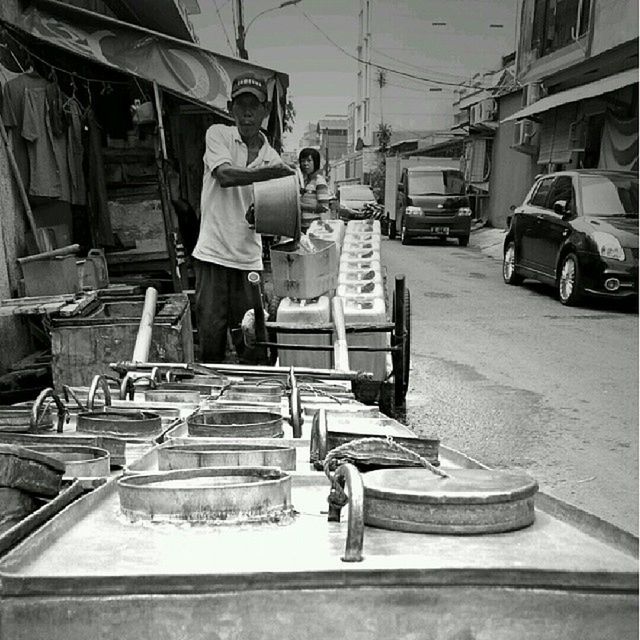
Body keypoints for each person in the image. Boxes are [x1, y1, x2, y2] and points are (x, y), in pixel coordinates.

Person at [192, 72, 294, 363]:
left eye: (254, 105)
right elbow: (224, 176)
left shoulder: (271, 156)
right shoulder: (218, 135)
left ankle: (255, 402)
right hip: (212, 254)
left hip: (248, 260)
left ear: (264, 111)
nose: (247, 112)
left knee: (253, 346)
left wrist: (261, 212)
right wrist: (270, 174)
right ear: (230, 108)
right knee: (211, 341)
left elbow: (279, 213)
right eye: (241, 105)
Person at [298, 147, 331, 232]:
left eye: (309, 161)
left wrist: (301, 205)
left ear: (315, 162)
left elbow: (324, 207)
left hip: (313, 228)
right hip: (300, 227)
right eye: (302, 161)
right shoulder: (300, 181)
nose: (305, 164)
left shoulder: (319, 180)